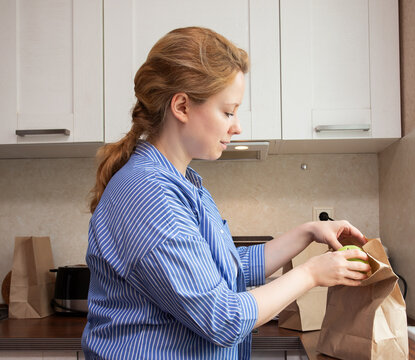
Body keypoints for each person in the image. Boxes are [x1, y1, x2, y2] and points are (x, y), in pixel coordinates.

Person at [82, 26, 370, 359]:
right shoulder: (150, 196)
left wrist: (307, 233)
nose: (236, 126)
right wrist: (311, 274)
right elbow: (223, 318)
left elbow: (224, 270)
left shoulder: (184, 183)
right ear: (182, 106)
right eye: (228, 111)